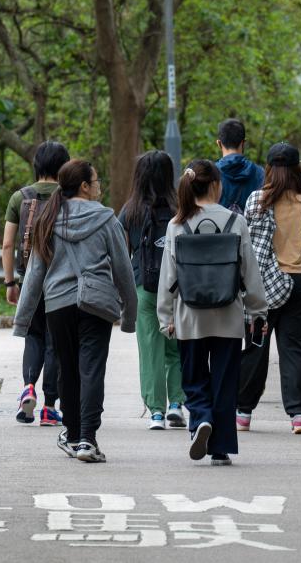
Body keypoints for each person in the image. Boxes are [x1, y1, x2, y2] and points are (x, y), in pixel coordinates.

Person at [14, 160, 137, 463]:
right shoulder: (107, 219)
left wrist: (23, 320)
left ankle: (71, 435)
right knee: (92, 370)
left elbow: (34, 274)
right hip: (96, 304)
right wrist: (129, 315)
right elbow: (123, 270)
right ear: (84, 186)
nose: (100, 187)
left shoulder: (48, 218)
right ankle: (87, 440)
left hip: (57, 304)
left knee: (68, 372)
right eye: (96, 181)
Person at [157, 160, 268, 466]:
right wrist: (258, 309)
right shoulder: (236, 221)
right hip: (228, 314)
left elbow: (168, 276)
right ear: (217, 185)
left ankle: (201, 418)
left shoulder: (178, 224)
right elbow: (250, 271)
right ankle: (220, 448)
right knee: (224, 382)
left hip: (189, 315)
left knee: (193, 378)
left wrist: (166, 317)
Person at [236, 143, 301, 434]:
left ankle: (243, 413)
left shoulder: (257, 200)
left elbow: (248, 248)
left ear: (268, 168)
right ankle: (299, 416)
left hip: (262, 285)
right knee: (293, 347)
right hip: (297, 282)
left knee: (256, 345)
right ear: (297, 169)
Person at [2, 141, 69, 426]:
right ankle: (49, 406)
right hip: (61, 280)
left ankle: (28, 387)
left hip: (29, 279)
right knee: (55, 342)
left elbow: (7, 245)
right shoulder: (69, 197)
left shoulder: (20, 197)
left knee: (33, 336)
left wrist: (10, 282)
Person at [118, 151, 187, 430]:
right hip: (177, 289)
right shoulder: (180, 208)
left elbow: (122, 254)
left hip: (143, 289)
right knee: (177, 349)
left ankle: (155, 412)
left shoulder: (130, 211)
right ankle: (176, 405)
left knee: (150, 350)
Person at [215, 118, 264, 216]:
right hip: (250, 231)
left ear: (219, 143)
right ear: (243, 142)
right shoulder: (260, 173)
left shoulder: (210, 173)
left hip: (216, 230)